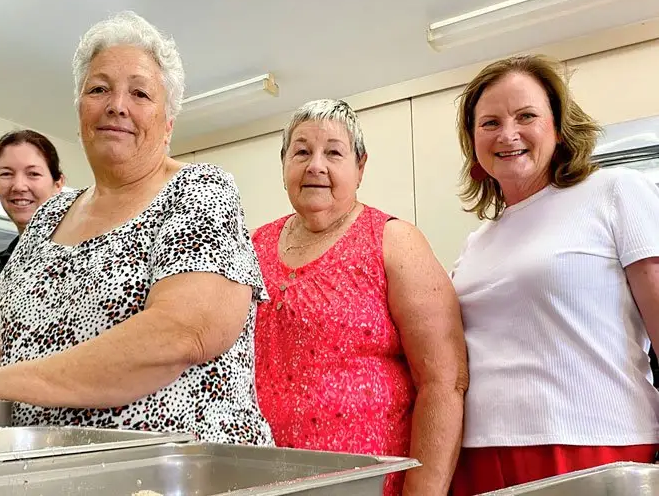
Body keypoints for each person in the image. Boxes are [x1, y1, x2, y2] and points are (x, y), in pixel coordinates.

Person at [0, 11, 274, 445]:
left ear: (168, 124)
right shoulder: (50, 215)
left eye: (141, 93)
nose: (117, 105)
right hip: (45, 473)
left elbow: (182, 333)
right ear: (79, 113)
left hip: (177, 476)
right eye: (99, 89)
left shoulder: (200, 190)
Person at [448, 54, 659, 495]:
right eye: (490, 123)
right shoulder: (477, 242)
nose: (508, 134)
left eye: (526, 116)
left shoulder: (614, 192)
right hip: (480, 453)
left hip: (593, 444)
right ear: (473, 140)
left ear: (558, 127)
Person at [252, 99, 468, 496]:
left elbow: (443, 380)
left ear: (360, 167)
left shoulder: (393, 241)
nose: (316, 165)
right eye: (301, 151)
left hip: (369, 483)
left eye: (334, 152)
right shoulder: (253, 245)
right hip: (265, 479)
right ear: (284, 166)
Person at [0, 130, 65, 323]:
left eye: (33, 174)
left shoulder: (75, 250)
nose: (18, 186)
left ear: (58, 183)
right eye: (7, 174)